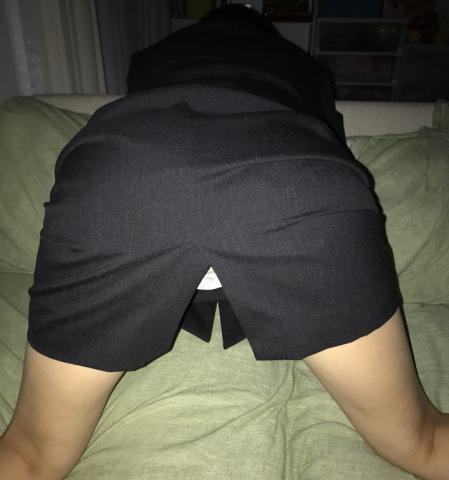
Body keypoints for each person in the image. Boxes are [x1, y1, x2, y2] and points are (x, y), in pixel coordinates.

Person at [0, 5, 448, 480]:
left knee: (32, 455)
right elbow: (331, 142)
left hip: (120, 178)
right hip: (291, 178)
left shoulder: (150, 57)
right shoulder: (306, 66)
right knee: (420, 444)